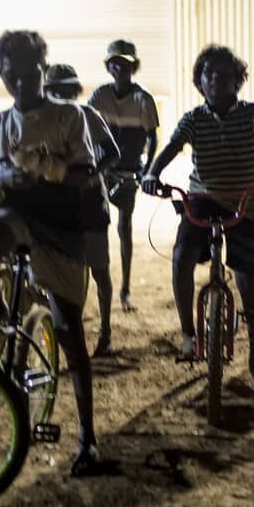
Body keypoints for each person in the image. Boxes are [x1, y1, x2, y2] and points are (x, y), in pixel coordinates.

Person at [0, 31, 101, 475]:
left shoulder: (69, 118)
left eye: (31, 76)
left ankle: (88, 437)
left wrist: (44, 168)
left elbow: (84, 175)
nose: (22, 85)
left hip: (60, 227)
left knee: (70, 331)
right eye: (13, 77)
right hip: (16, 218)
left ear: (43, 72)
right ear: (2, 76)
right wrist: (8, 177)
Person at [141, 44, 254, 394]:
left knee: (249, 284)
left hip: (244, 206)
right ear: (199, 81)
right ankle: (189, 336)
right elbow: (172, 147)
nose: (216, 81)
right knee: (181, 259)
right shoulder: (193, 119)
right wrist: (152, 173)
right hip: (202, 202)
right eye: (208, 75)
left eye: (224, 75)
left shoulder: (251, 113)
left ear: (238, 80)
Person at [44, 63, 121, 357]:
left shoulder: (89, 115)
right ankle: (64, 332)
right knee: (61, 274)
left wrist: (90, 175)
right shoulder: (43, 121)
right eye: (56, 91)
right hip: (59, 205)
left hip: (89, 202)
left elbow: (112, 152)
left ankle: (105, 331)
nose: (62, 96)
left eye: (67, 90)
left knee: (99, 270)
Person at [88, 39, 159, 311]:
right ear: (109, 67)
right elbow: (85, 128)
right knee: (96, 226)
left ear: (133, 67)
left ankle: (126, 288)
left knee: (124, 228)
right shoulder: (99, 96)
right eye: (115, 64)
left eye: (126, 64)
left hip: (128, 170)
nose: (120, 69)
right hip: (101, 170)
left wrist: (148, 169)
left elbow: (153, 138)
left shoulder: (143, 99)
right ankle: (101, 284)